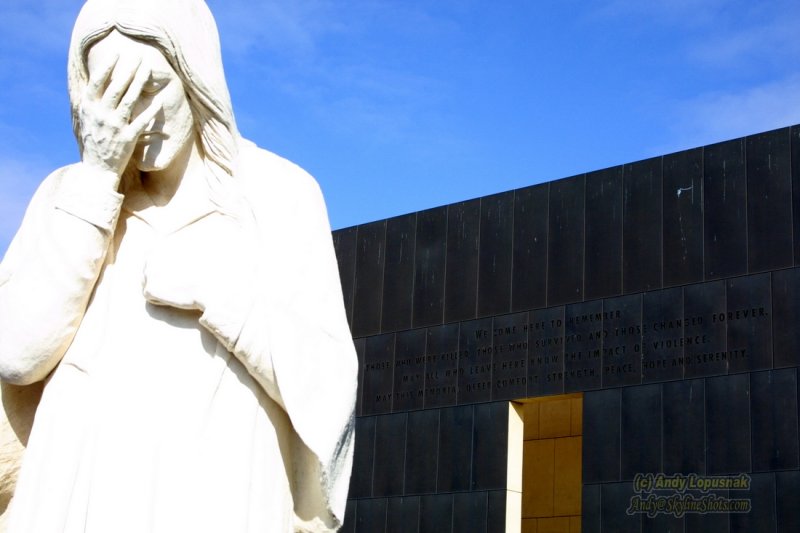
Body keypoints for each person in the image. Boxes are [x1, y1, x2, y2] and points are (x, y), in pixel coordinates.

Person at [0, 0, 358, 531]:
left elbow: (327, 381)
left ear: (195, 76)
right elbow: (17, 354)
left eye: (149, 90)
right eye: (109, 97)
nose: (133, 119)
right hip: (80, 484)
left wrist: (223, 294)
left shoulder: (278, 193)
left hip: (218, 484)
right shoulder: (66, 195)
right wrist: (97, 184)